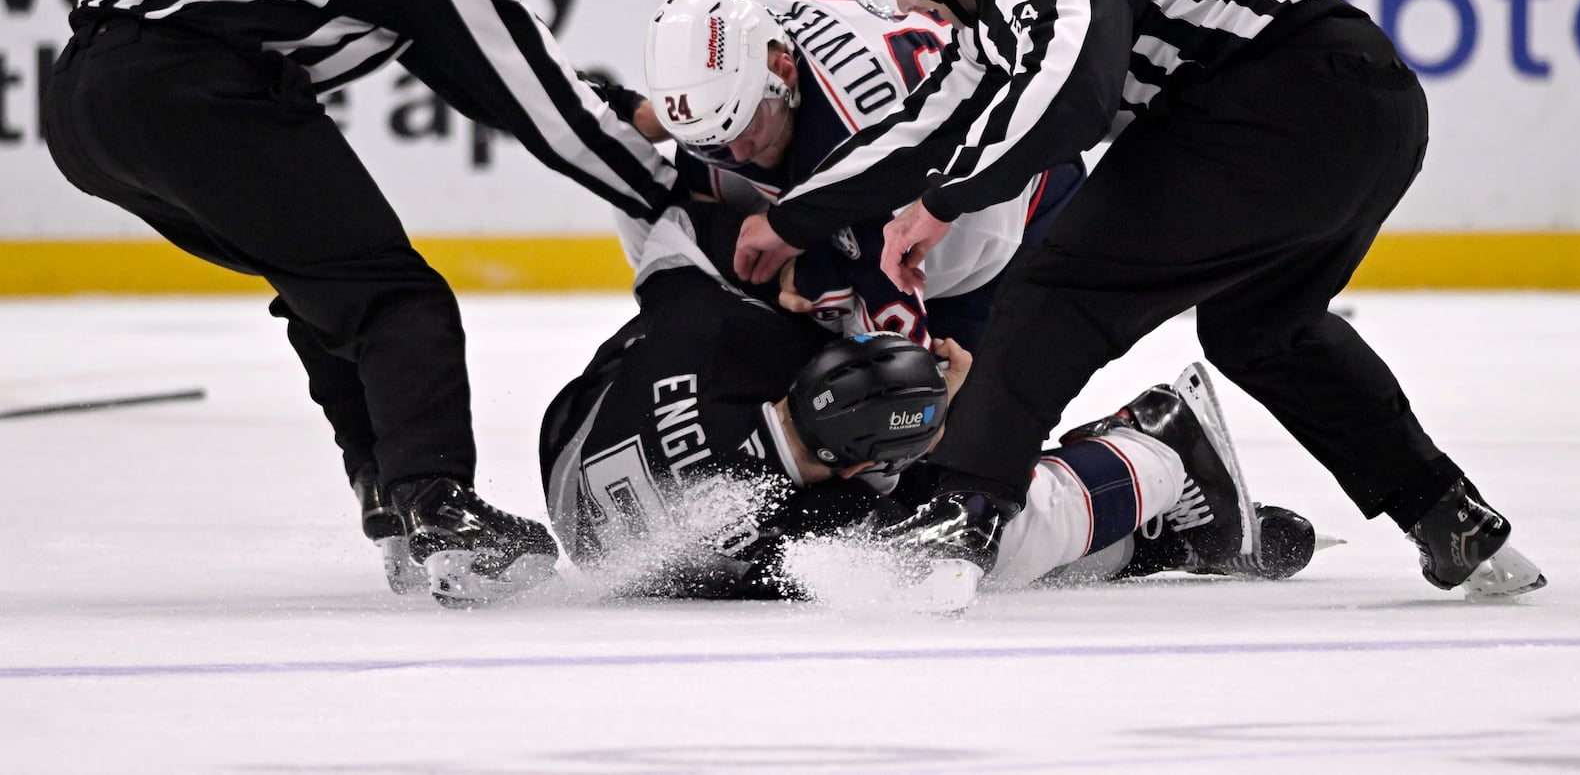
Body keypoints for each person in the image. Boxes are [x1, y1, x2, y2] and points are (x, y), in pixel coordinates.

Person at [733, 0, 1545, 598]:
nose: (901, 4)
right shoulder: (1006, 9)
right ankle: (1450, 515)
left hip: (1293, 102)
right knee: (1263, 332)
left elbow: (1071, 99)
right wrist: (792, 220)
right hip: (1369, 113)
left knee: (1060, 288)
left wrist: (946, 202)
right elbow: (920, 127)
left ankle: (963, 513)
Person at [40, 0, 679, 607]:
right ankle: (438, 509)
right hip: (185, 89)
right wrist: (668, 200)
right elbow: (533, 101)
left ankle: (394, 497)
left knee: (332, 287)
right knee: (394, 297)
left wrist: (627, 114)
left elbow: (485, 71)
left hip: (89, 98)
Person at [540, 213, 1317, 603]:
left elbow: (668, 232)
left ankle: (1144, 537)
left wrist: (775, 263)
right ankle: (1159, 454)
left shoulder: (710, 333)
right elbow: (931, 550)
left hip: (574, 452)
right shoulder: (826, 518)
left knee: (952, 541)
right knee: (991, 541)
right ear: (860, 465)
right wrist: (963, 426)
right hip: (583, 488)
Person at [638, 0, 1081, 350]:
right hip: (912, 186)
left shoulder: (858, 149)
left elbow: (909, 375)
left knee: (958, 444)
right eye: (711, 142)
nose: (734, 157)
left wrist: (819, 275)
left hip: (1019, 204)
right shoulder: (745, 57)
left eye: (746, 127)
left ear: (785, 71)